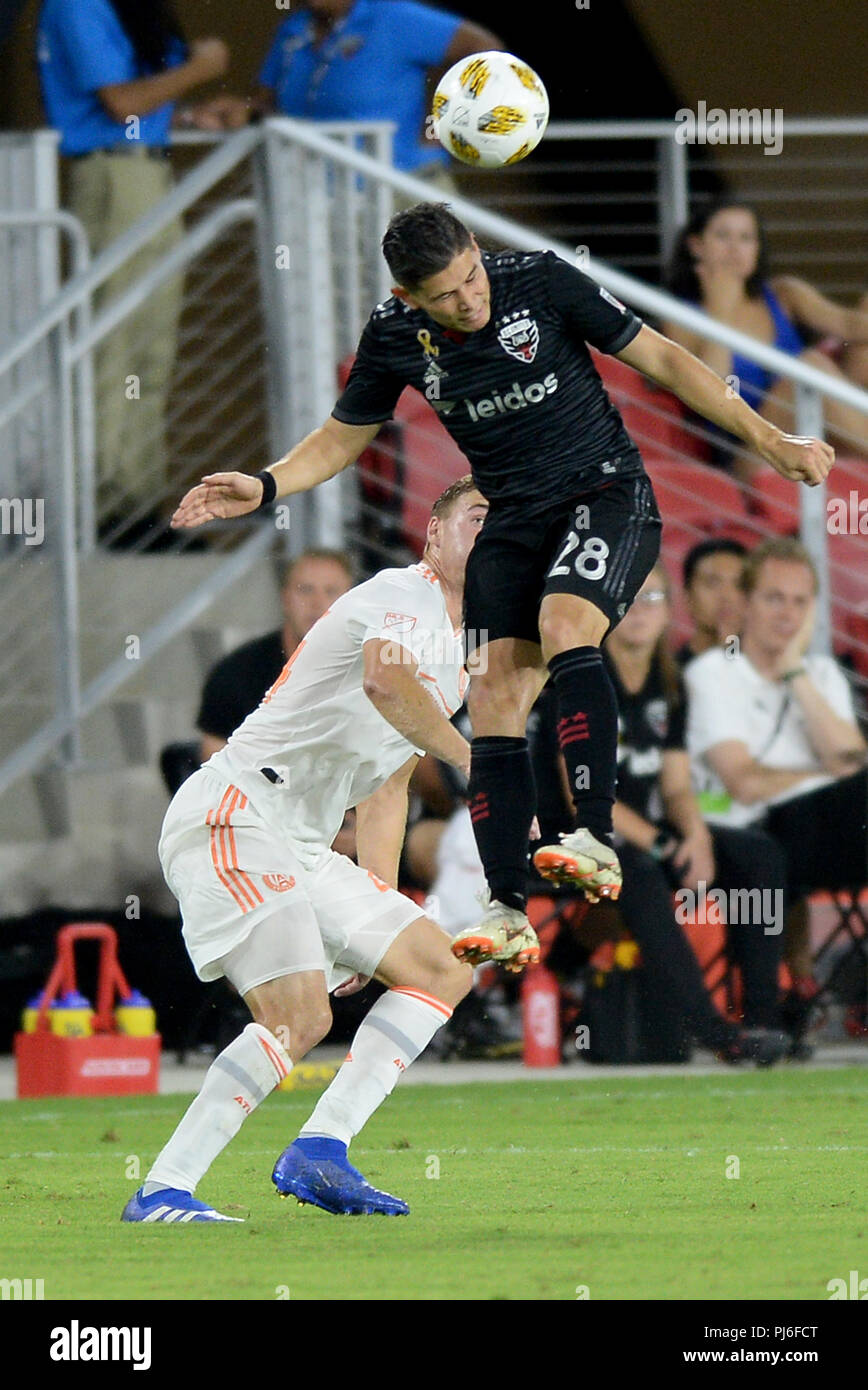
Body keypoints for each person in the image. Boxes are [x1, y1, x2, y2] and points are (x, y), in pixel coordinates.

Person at [171, 201, 833, 978]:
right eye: (447, 294)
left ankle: (590, 834)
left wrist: (770, 437)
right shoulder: (394, 335)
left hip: (607, 492)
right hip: (513, 521)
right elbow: (340, 439)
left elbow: (665, 360)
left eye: (472, 275)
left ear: (480, 252)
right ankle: (507, 907)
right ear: (413, 298)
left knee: (565, 623)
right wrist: (265, 483)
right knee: (491, 698)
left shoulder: (542, 282)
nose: (470, 298)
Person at [122, 477, 485, 1224]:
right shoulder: (401, 594)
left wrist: (375, 911)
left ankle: (322, 1148)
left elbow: (387, 789)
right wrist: (477, 759)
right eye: (478, 517)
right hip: (236, 812)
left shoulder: (454, 661)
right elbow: (386, 683)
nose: (493, 532)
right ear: (433, 536)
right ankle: (163, 1189)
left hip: (303, 847)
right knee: (299, 1014)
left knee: (441, 968)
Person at [36, 0, 231, 546]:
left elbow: (141, 105)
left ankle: (138, 505)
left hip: (149, 175)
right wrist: (200, 67)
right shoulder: (78, 5)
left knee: (151, 349)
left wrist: (187, 115)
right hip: (114, 182)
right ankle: (105, 507)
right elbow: (120, 102)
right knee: (113, 347)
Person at [685, 536, 867, 995]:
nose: (787, 613)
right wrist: (827, 774)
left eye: (799, 602)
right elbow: (744, 784)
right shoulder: (712, 673)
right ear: (745, 603)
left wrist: (793, 671)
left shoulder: (820, 674)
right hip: (754, 832)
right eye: (774, 598)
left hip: (826, 835)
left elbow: (853, 762)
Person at [196, 0, 503, 185]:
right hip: (318, 198)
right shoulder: (294, 29)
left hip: (402, 189)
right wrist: (240, 111)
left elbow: (483, 49)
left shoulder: (392, 16)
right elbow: (267, 102)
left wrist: (443, 127)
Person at [663, 199, 868, 475]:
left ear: (757, 249)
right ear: (696, 246)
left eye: (746, 238)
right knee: (809, 367)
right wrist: (720, 311)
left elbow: (849, 324)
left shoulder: (784, 294)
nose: (735, 248)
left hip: (810, 439)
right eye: (723, 236)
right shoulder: (681, 316)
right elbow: (712, 396)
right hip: (749, 452)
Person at [197, 547, 354, 762]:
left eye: (331, 591)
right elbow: (215, 759)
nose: (317, 603)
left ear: (352, 602)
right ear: (285, 599)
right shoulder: (236, 673)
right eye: (306, 590)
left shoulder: (372, 672)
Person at [675, 537, 748, 668]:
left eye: (739, 584)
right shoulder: (671, 674)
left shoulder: (767, 669)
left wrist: (730, 646)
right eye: (712, 583)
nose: (727, 596)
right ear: (687, 597)